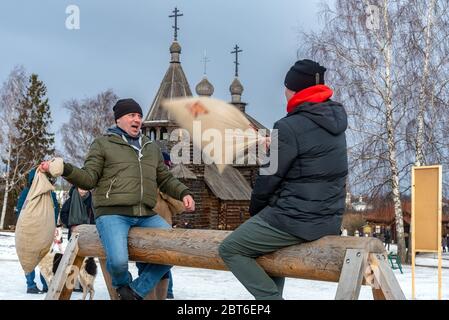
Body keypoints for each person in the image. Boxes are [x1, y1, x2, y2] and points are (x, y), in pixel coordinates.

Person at [39, 98, 194, 300]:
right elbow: (88, 178)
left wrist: (184, 192)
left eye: (139, 116)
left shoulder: (150, 148)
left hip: (146, 214)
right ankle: (122, 285)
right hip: (112, 213)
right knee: (119, 262)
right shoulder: (102, 144)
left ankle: (135, 291)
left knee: (175, 249)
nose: (137, 119)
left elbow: (164, 178)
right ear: (119, 119)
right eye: (132, 115)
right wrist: (65, 169)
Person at [218, 59, 348, 300]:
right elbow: (311, 164)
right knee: (266, 254)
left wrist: (256, 212)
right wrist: (277, 146)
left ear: (293, 89)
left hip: (295, 220)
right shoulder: (335, 122)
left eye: (286, 87)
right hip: (328, 219)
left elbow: (268, 179)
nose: (284, 92)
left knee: (230, 249)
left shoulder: (288, 126)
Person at [15, 168, 60, 294]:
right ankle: (31, 285)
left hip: (44, 231)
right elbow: (20, 210)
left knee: (44, 256)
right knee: (28, 256)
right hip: (30, 232)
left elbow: (55, 209)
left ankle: (45, 283)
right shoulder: (27, 193)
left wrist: (53, 225)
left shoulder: (50, 193)